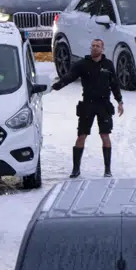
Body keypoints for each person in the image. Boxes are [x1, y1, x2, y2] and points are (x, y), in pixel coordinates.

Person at [51, 38, 123, 178]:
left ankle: (107, 169)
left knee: (105, 135)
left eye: (97, 46)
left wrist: (119, 101)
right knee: (81, 135)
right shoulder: (82, 64)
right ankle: (76, 169)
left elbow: (114, 84)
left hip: (104, 105)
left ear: (102, 49)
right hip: (87, 104)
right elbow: (69, 77)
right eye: (92, 46)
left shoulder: (108, 65)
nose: (94, 48)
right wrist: (55, 86)